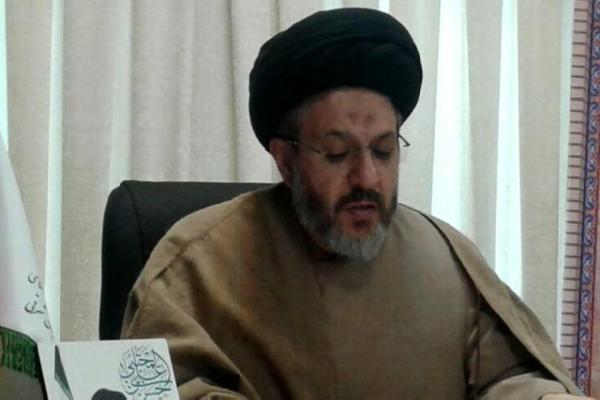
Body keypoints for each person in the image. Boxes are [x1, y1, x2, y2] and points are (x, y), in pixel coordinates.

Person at [121, 8, 592, 400]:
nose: (367, 178)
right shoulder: (195, 266)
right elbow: (162, 388)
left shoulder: (445, 259)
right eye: (337, 153)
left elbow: (507, 378)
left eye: (384, 151)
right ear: (285, 160)